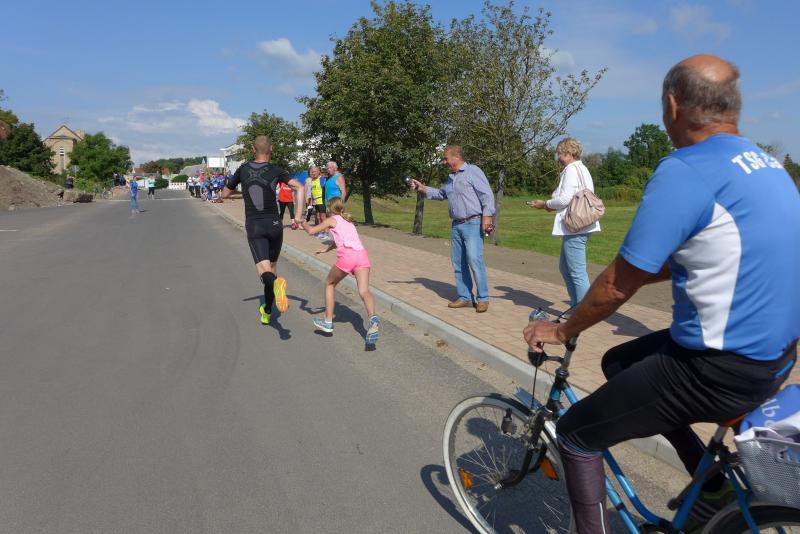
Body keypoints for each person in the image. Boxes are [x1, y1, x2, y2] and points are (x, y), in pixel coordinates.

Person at [524, 54, 800, 534]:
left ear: (673, 106)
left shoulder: (686, 170)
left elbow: (616, 284)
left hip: (714, 368)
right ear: (732, 106)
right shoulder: (767, 165)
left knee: (575, 434)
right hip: (775, 356)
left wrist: (563, 329)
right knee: (619, 362)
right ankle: (710, 488)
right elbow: (697, 256)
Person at [222, 135, 305, 325]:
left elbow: (225, 194)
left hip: (255, 225)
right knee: (272, 268)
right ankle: (267, 310)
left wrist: (243, 193)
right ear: (271, 149)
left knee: (264, 270)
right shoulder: (276, 170)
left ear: (253, 150)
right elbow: (299, 187)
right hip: (275, 225)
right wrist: (298, 216)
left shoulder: (243, 169)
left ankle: (276, 286)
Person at [409, 145, 496, 313]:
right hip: (456, 225)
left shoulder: (473, 171)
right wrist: (422, 188)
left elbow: (486, 194)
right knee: (458, 263)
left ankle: (483, 298)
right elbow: (442, 194)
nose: (444, 162)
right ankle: (465, 297)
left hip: (473, 223)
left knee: (474, 260)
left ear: (456, 157)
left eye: (446, 158)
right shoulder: (451, 178)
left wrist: (487, 217)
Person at [300, 197, 381, 344]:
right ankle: (373, 318)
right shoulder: (347, 221)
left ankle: (328, 322)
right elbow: (342, 239)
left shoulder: (331, 220)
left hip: (348, 257)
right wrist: (326, 249)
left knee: (330, 284)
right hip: (362, 256)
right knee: (364, 291)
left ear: (329, 208)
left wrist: (303, 222)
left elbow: (311, 231)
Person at [530, 137, 599, 308]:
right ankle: (577, 306)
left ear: (569, 153)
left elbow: (565, 199)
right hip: (583, 224)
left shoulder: (571, 170)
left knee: (576, 271)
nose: (558, 158)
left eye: (560, 154)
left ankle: (583, 312)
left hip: (575, 227)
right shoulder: (583, 169)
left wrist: (545, 204)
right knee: (566, 268)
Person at [307, 165, 328, 236]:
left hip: (321, 200)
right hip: (315, 201)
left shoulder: (322, 179)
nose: (313, 173)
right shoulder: (313, 180)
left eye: (315, 171)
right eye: (312, 172)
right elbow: (312, 192)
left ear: (318, 172)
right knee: (318, 217)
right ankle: (320, 231)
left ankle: (326, 232)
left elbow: (325, 190)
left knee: (323, 217)